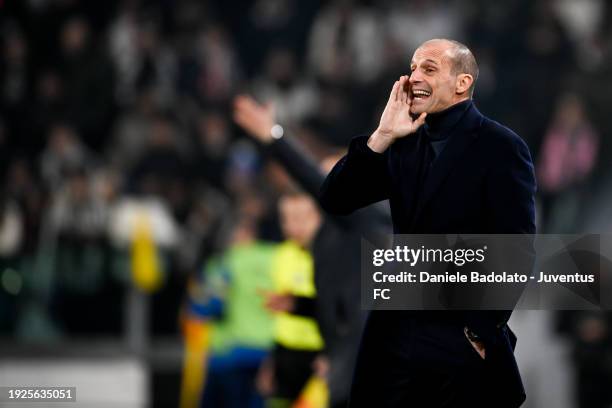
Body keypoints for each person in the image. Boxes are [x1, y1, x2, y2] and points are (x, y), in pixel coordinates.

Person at [317, 39, 536, 407]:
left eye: (429, 69)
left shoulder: (501, 146)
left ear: (462, 83)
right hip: (393, 333)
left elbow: (516, 248)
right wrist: (382, 135)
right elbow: (335, 200)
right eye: (413, 67)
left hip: (458, 334)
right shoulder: (403, 142)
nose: (413, 76)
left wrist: (479, 331)